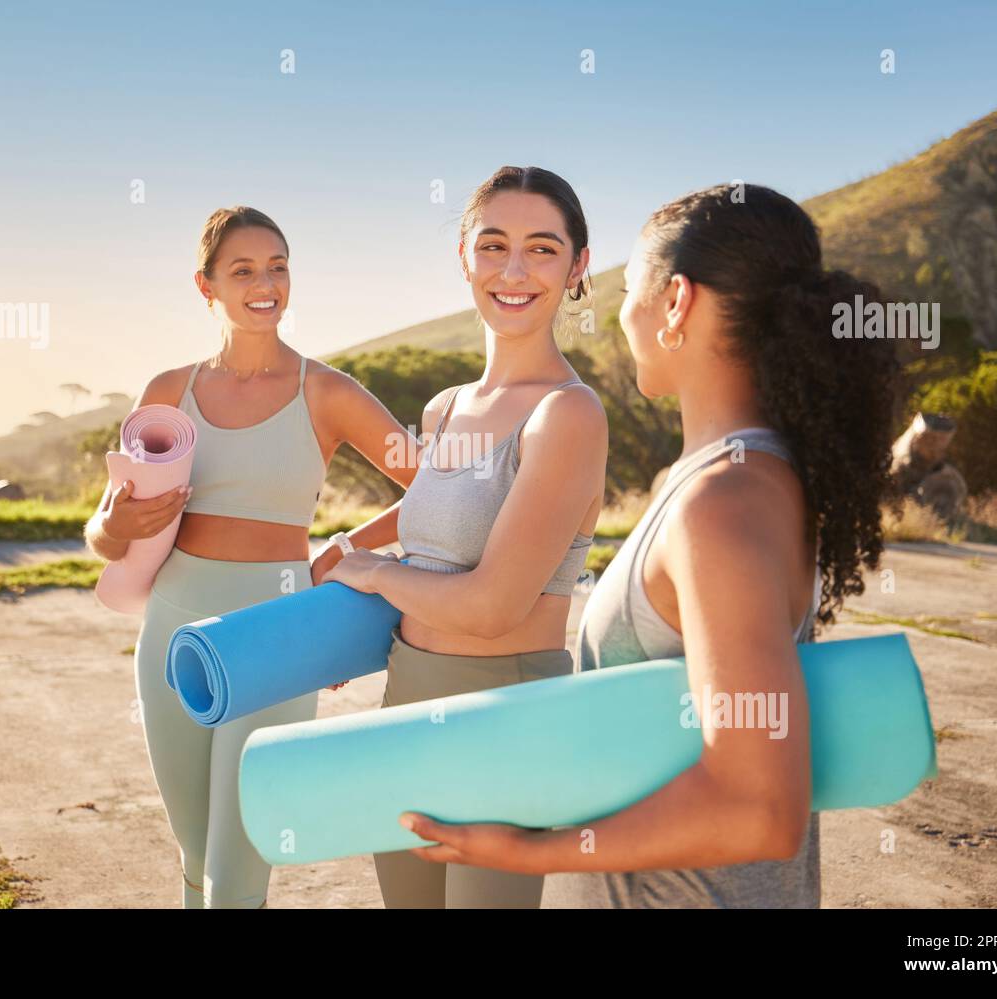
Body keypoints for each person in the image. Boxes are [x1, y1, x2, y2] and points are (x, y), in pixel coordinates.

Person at [378, 183, 903, 908]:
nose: (622, 314)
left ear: (677, 302)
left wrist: (535, 848)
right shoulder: (746, 477)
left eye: (631, 287)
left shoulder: (723, 503)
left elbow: (761, 807)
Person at [84, 206, 417, 908]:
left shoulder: (326, 391)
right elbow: (106, 539)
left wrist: (351, 548)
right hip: (172, 630)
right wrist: (117, 520)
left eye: (278, 266)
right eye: (243, 270)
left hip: (278, 636)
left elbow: (438, 490)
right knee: (197, 852)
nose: (265, 283)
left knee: (237, 867)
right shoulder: (167, 393)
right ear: (207, 287)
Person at [323, 166, 609, 908]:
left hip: (506, 717)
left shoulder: (567, 415)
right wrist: (343, 551)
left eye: (542, 249)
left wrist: (372, 573)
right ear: (464, 257)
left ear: (579, 265)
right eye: (494, 245)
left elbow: (492, 605)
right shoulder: (446, 407)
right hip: (406, 697)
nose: (513, 271)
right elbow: (435, 504)